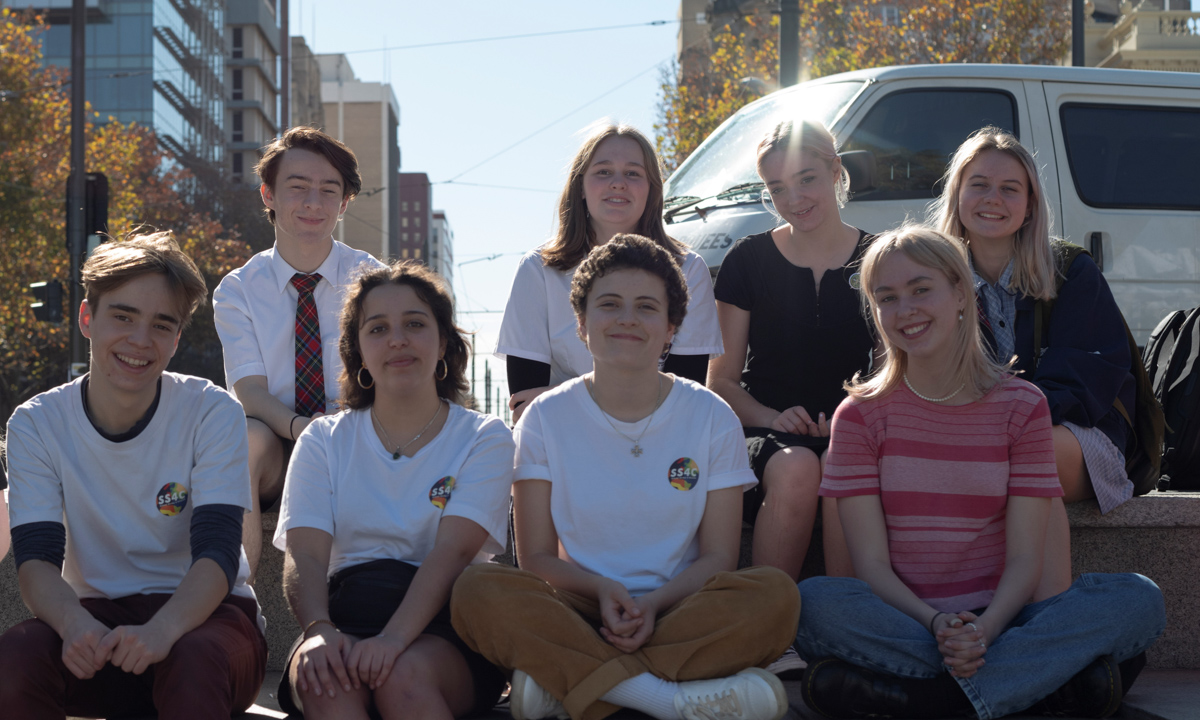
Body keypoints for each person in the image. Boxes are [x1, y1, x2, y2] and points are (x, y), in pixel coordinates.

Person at [794, 225, 1165, 720]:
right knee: (812, 602)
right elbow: (871, 566)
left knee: (1139, 599)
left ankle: (931, 701)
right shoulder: (859, 415)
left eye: (921, 289)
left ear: (961, 294)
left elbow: (1025, 559)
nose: (905, 310)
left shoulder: (1022, 405)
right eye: (887, 298)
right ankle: (1035, 686)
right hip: (907, 620)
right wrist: (937, 624)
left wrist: (985, 631)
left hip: (1005, 620)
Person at [453, 235, 800, 720]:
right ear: (581, 323)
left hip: (680, 607)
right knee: (477, 590)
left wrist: (654, 604)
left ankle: (573, 684)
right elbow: (534, 559)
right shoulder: (543, 418)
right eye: (609, 304)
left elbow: (720, 557)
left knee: (775, 596)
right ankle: (668, 700)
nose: (627, 319)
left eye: (647, 307)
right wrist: (600, 590)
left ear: (671, 328)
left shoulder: (711, 415)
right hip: (578, 607)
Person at [0, 232, 268, 719]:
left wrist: (162, 631)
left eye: (161, 325)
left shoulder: (211, 411)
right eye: (123, 317)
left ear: (177, 338)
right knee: (16, 658)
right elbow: (36, 560)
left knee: (193, 661)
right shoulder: (36, 423)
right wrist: (73, 624)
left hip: (206, 622)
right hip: (95, 618)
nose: (140, 340)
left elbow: (219, 552)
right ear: (87, 318)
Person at [275, 261, 512, 719]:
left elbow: (453, 553)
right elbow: (304, 555)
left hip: (444, 626)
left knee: (403, 679)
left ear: (443, 343)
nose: (397, 340)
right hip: (340, 616)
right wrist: (319, 630)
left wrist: (393, 639)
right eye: (378, 328)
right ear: (358, 352)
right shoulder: (322, 439)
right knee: (326, 684)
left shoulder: (484, 437)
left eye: (415, 324)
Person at [930, 126, 1137, 600]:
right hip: (971, 437)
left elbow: (1082, 384)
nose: (993, 198)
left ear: (1029, 206)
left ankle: (1044, 619)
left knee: (1026, 450)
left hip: (1076, 435)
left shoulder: (1071, 271)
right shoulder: (933, 279)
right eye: (979, 184)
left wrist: (994, 417)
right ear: (957, 194)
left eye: (1010, 188)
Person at [214, 125, 385, 582]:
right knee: (243, 436)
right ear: (268, 194)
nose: (314, 202)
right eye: (298, 187)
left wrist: (335, 429)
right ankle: (238, 600)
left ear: (344, 203)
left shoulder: (373, 279)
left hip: (354, 435)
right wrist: (300, 429)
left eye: (329, 190)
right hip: (277, 438)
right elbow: (249, 392)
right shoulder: (237, 289)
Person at [709, 121, 870, 593]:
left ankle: (845, 621)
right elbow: (720, 381)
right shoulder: (747, 260)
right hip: (765, 434)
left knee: (843, 461)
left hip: (856, 433)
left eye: (806, 179)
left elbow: (895, 374)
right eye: (777, 188)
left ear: (835, 171)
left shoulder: (880, 257)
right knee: (799, 467)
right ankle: (766, 621)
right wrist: (773, 418)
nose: (794, 198)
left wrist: (849, 418)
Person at [498, 123, 723, 421]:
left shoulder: (689, 269)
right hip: (562, 442)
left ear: (652, 189)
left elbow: (686, 402)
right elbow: (525, 408)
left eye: (633, 173)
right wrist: (636, 395)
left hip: (659, 440)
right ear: (580, 186)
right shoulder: (537, 269)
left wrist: (561, 395)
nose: (618, 183)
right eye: (603, 171)